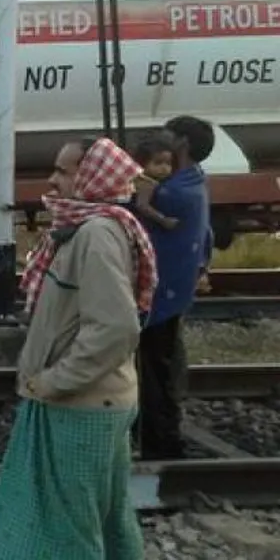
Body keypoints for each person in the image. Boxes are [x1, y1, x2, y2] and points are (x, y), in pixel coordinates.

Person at [0, 136, 154, 560]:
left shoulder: (97, 233)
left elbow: (114, 327)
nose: (53, 181)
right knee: (104, 520)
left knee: (68, 528)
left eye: (63, 171)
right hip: (92, 400)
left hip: (83, 403)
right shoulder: (86, 228)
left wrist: (55, 381)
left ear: (91, 176)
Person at [135, 116, 214, 460]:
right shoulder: (193, 183)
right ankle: (161, 438)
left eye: (168, 135)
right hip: (173, 291)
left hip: (161, 294)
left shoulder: (173, 192)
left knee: (155, 371)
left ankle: (162, 443)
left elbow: (131, 206)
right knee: (162, 366)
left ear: (181, 143)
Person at [129, 134, 178, 231]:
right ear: (142, 163)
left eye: (168, 163)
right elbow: (142, 205)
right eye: (158, 163)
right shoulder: (147, 182)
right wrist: (163, 220)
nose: (164, 168)